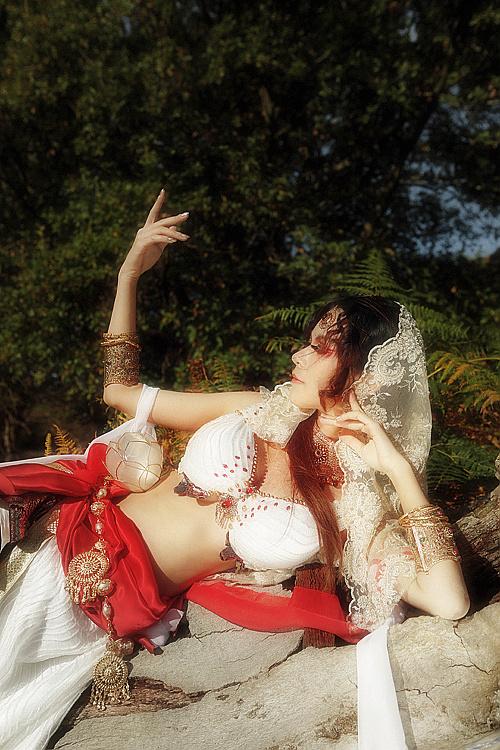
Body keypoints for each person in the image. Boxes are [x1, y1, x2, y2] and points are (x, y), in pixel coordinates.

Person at [0, 190, 470, 750]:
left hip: (99, 611)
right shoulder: (256, 407)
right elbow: (119, 392)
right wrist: (129, 276)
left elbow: (450, 602)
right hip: (51, 538)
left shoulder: (351, 506)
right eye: (305, 343)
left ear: (366, 373)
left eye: (320, 348)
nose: (297, 356)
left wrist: (399, 473)